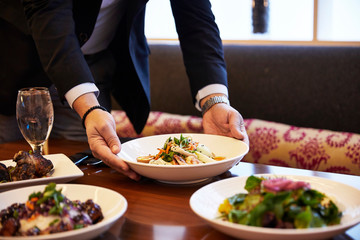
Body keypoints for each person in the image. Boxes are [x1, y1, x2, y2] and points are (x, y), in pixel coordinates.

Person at [0, 0, 249, 180]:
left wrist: (215, 101)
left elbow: (196, 21)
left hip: (95, 71)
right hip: (17, 66)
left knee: (83, 175)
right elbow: (48, 12)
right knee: (12, 173)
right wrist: (89, 108)